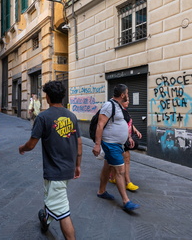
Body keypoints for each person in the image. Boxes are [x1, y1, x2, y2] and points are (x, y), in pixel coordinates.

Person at [19, 81, 82, 239]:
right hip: (67, 168)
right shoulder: (72, 116)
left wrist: (22, 148)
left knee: (62, 211)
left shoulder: (43, 117)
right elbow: (79, 143)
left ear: (47, 97)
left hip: (55, 171)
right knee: (52, 197)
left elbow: (32, 144)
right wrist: (78, 165)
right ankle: (45, 219)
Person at [92, 84, 140, 211]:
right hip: (110, 144)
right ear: (122, 95)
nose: (128, 96)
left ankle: (101, 191)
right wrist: (97, 144)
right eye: (127, 93)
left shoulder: (118, 106)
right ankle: (126, 201)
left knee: (107, 168)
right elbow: (100, 125)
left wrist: (128, 136)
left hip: (118, 144)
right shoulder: (109, 105)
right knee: (120, 171)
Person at [108, 99, 142, 191]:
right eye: (126, 101)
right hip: (121, 139)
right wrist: (129, 137)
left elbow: (129, 123)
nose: (128, 102)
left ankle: (112, 177)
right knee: (125, 159)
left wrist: (135, 130)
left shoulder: (124, 111)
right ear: (120, 102)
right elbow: (123, 126)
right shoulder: (119, 112)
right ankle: (127, 182)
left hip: (121, 139)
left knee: (114, 159)